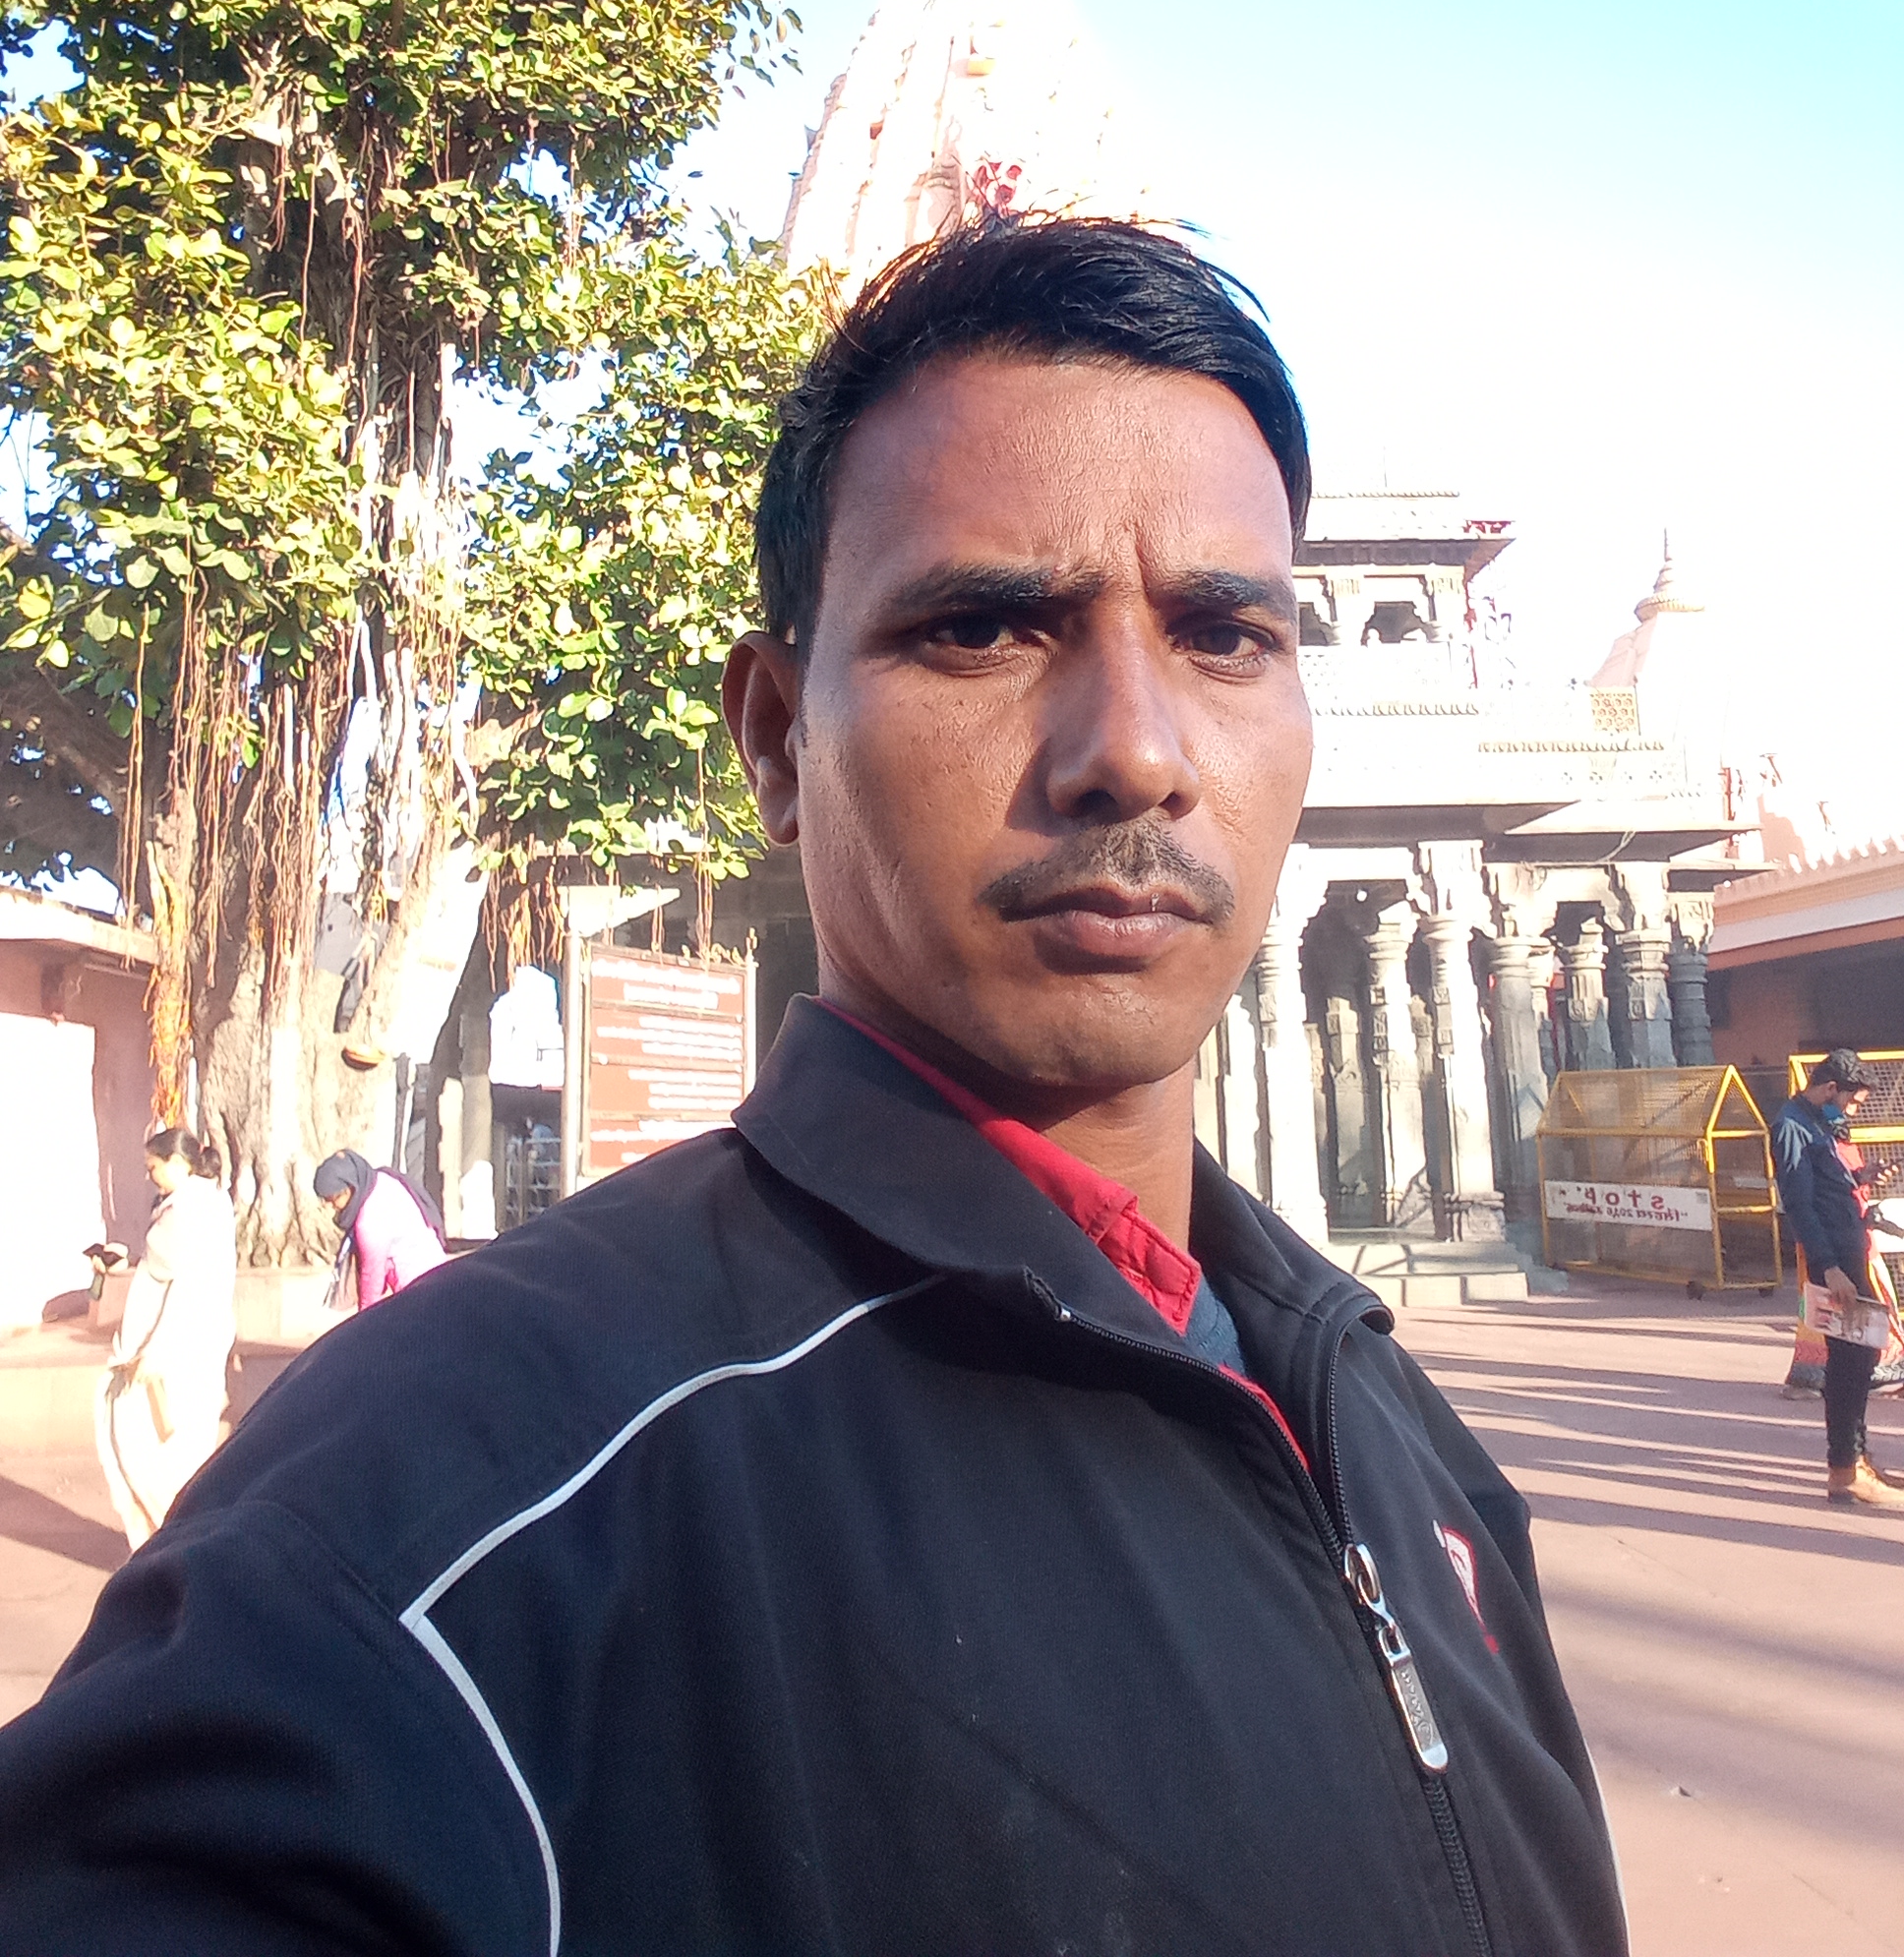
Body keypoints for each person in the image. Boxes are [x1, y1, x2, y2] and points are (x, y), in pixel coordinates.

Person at [0, 217, 1628, 1956]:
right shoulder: (461, 1495)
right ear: (777, 738)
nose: (1136, 752)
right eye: (985, 627)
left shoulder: (1382, 1419)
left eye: (1225, 634)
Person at [92, 1125, 236, 1553]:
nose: (149, 1175)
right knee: (155, 1449)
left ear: (177, 1162)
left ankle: (176, 1543)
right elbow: (164, 1267)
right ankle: (170, 1542)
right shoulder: (197, 1203)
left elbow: (191, 1288)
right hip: (167, 1352)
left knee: (151, 1451)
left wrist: (157, 1351)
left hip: (173, 1356)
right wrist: (125, 1262)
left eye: (153, 1167)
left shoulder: (192, 1210)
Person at [1771, 1048, 1904, 1509]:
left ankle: (1857, 1459)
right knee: (1849, 1363)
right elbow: (1801, 1205)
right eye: (1851, 1101)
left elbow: (1827, 1186)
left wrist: (1861, 1176)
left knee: (1862, 1358)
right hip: (1834, 1263)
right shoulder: (1792, 1126)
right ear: (1831, 1088)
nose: (1851, 1111)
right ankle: (1844, 1470)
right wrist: (1828, 1269)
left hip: (1848, 1252)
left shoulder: (1819, 1123)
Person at [313, 1149, 449, 1310]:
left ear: (350, 1188)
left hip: (417, 1290)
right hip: (440, 1270)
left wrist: (365, 1320)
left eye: (331, 1199)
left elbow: (372, 1280)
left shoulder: (369, 1222)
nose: (328, 1206)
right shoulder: (383, 1179)